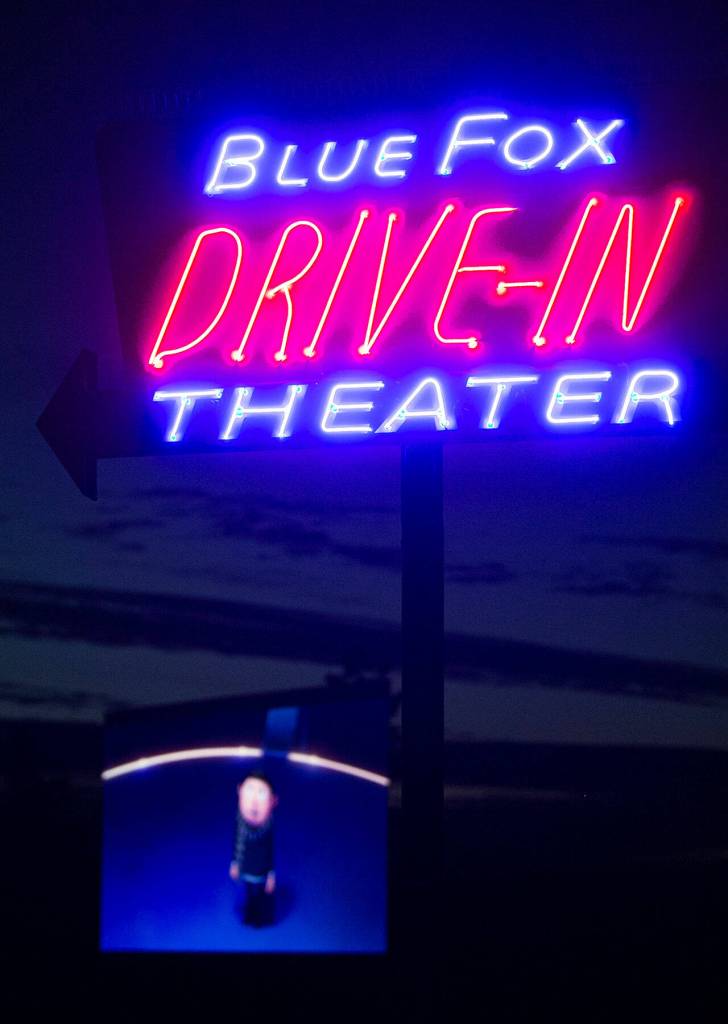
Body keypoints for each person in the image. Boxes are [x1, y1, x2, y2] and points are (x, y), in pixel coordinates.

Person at [229, 771, 277, 926]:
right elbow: (237, 843)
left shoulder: (268, 827)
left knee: (260, 894)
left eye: (261, 793)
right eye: (249, 791)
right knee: (249, 893)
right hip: (246, 868)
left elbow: (270, 852)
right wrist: (235, 863)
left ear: (273, 801)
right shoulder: (239, 821)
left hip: (261, 870)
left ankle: (259, 916)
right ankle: (249, 913)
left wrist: (271, 874)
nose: (254, 802)